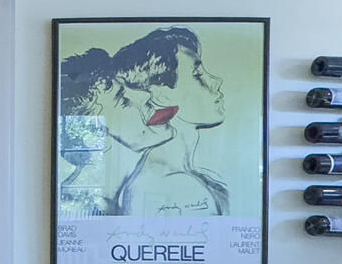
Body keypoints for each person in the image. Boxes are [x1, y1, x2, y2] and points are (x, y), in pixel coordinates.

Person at [58, 27, 229, 217]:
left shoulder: (109, 200)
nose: (146, 98)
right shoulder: (80, 208)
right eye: (123, 100)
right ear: (96, 133)